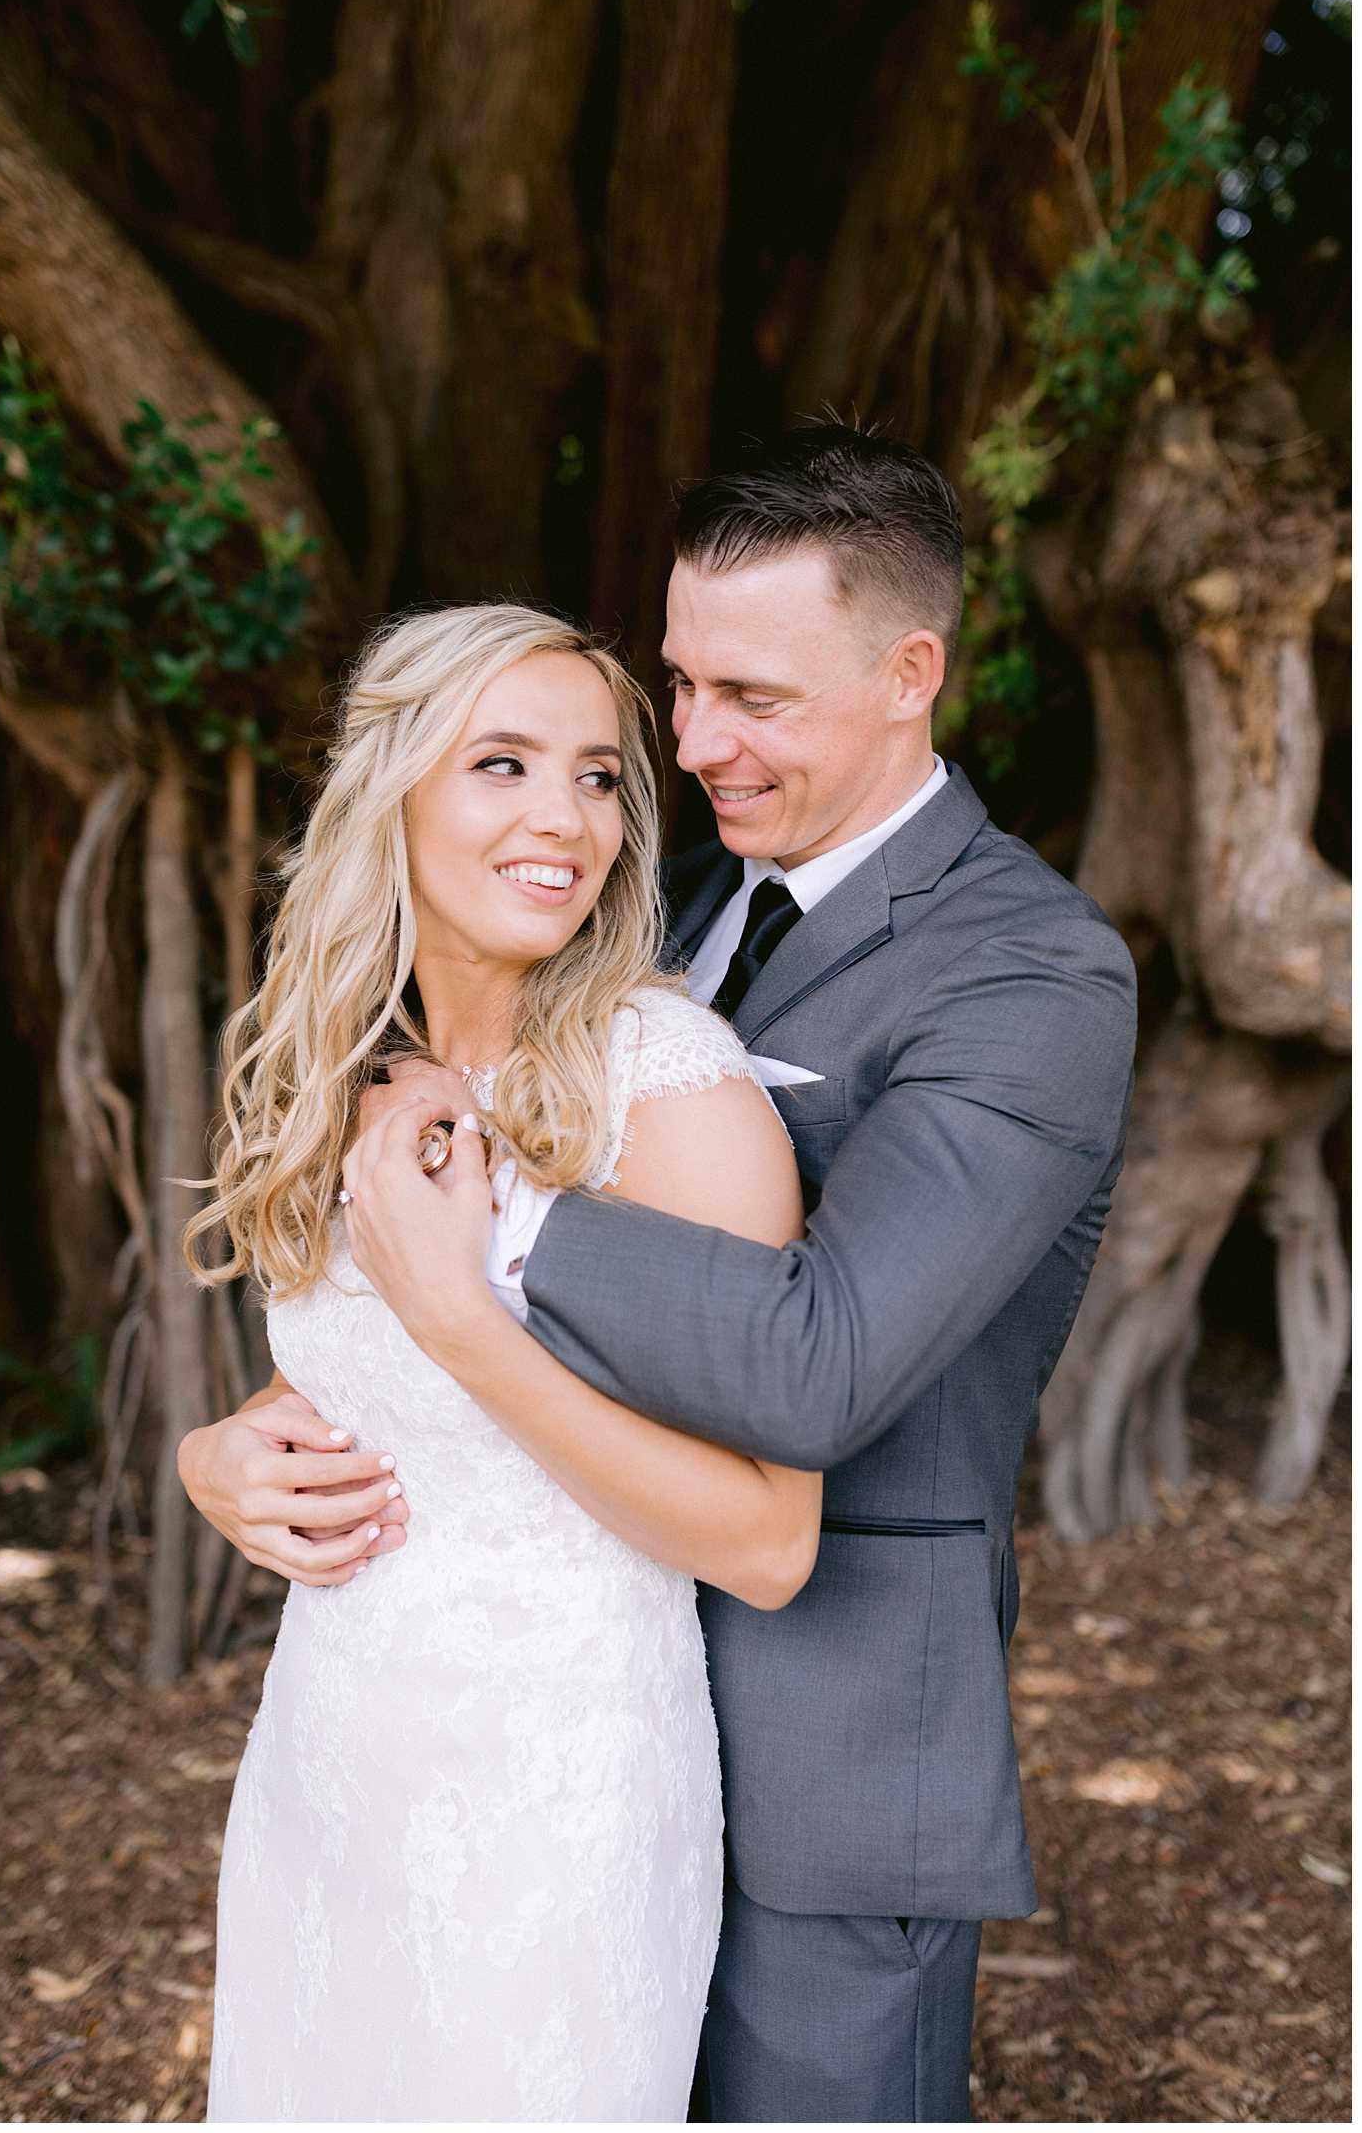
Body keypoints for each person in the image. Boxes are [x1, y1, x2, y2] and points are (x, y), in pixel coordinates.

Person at [186, 426, 1139, 2120]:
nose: (692, 742)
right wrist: (234, 1442)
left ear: (909, 672)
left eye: (750, 697)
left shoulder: (1033, 975)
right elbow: (416, 1329)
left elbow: (825, 1360)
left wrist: (503, 1231)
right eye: (680, 690)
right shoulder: (641, 895)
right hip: (483, 1738)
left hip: (820, 1747)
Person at [181, 602, 816, 2122]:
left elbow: (770, 1539)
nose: (566, 819)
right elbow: (356, 1387)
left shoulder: (676, 1100)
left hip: (561, 1804)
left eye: (600, 777)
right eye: (505, 764)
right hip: (333, 1763)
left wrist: (466, 1318)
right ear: (388, 789)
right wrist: (223, 1457)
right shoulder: (340, 1068)